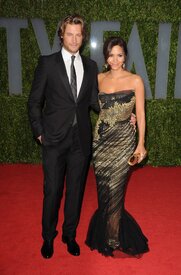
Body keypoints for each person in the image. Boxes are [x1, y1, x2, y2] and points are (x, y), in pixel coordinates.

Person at [28, 14, 100, 259]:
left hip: (80, 140)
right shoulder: (48, 63)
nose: (74, 38)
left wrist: (121, 113)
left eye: (79, 34)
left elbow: (94, 102)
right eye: (70, 33)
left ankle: (70, 235)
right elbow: (35, 101)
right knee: (53, 190)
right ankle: (48, 237)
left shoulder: (91, 66)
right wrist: (39, 132)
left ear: (83, 36)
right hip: (54, 139)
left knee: (76, 191)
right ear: (61, 35)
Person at [85, 36, 149, 257]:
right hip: (101, 141)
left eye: (119, 55)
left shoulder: (135, 80)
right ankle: (105, 232)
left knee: (116, 190)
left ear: (125, 57)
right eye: (111, 55)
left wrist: (140, 144)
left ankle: (112, 239)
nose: (115, 59)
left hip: (124, 141)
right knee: (103, 191)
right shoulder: (98, 78)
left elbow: (140, 114)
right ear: (105, 57)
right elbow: (90, 104)